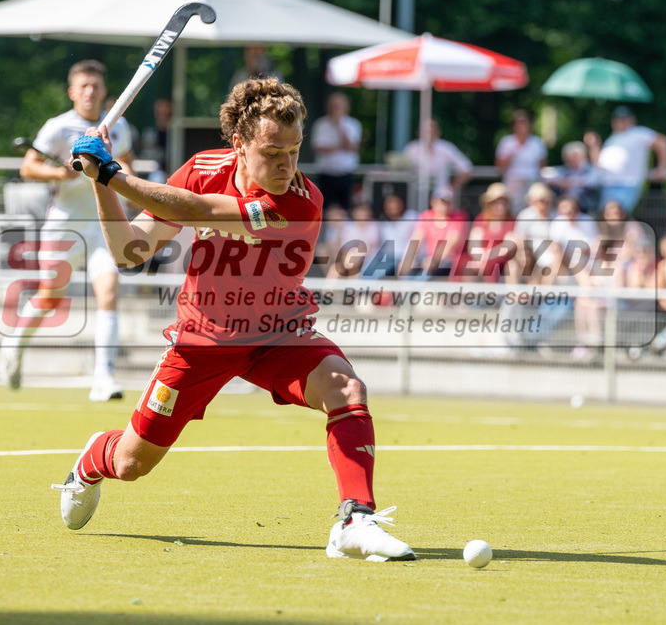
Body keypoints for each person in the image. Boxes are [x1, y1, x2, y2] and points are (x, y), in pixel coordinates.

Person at [54, 76, 415, 562]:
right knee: (131, 462)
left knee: (346, 388)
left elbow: (202, 209)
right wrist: (99, 182)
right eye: (273, 152)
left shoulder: (299, 202)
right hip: (202, 338)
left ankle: (355, 519)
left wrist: (112, 173)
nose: (288, 165)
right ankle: (91, 461)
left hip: (279, 333)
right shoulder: (201, 169)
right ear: (239, 144)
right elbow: (127, 250)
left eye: (295, 150)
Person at [0, 60, 135, 402]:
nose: (90, 92)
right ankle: (13, 344)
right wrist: (60, 174)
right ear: (72, 92)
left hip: (104, 225)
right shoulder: (58, 128)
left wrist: (126, 180)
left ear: (104, 92)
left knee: (109, 291)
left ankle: (103, 377)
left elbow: (128, 161)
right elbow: (28, 166)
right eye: (83, 86)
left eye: (95, 86)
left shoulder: (119, 127)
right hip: (64, 226)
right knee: (50, 298)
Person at [586, 106, 666, 216]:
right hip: (607, 185)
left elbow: (663, 143)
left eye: (624, 119)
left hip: (627, 185)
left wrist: (663, 168)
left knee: (616, 217)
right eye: (618, 119)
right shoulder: (612, 138)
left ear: (632, 120)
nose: (621, 122)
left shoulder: (639, 133)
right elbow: (599, 164)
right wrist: (593, 146)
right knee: (606, 220)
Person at [397, 186, 470, 280]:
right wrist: (408, 258)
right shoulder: (427, 216)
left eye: (447, 203)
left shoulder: (459, 217)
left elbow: (450, 244)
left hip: (451, 261)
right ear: (433, 202)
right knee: (406, 270)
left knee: (424, 276)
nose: (444, 206)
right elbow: (416, 239)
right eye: (440, 202)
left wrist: (435, 259)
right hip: (430, 260)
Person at [310, 92, 362, 212]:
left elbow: (351, 146)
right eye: (334, 105)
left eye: (339, 105)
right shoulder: (321, 124)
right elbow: (319, 148)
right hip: (326, 174)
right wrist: (340, 146)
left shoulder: (353, 124)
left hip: (346, 174)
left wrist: (340, 126)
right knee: (324, 209)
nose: (336, 108)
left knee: (346, 209)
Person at [458, 183, 515, 283]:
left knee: (492, 266)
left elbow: (508, 245)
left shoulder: (512, 221)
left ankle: (492, 296)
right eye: (496, 202)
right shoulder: (481, 219)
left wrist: (488, 256)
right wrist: (481, 257)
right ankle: (468, 296)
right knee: (465, 264)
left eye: (502, 202)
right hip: (481, 258)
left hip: (500, 260)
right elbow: (473, 243)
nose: (499, 206)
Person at [402, 118, 472, 196]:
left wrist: (451, 188)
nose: (429, 133)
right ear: (419, 132)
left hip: (440, 197)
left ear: (438, 132)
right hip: (415, 195)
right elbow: (401, 170)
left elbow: (466, 168)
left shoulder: (446, 148)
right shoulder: (411, 148)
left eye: (432, 130)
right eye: (426, 131)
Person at [495, 109, 547, 214]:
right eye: (519, 123)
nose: (522, 126)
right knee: (512, 211)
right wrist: (513, 152)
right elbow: (500, 166)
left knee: (533, 210)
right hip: (512, 183)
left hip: (531, 182)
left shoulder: (537, 143)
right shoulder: (507, 142)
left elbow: (542, 166)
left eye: (524, 122)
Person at [544, 140, 601, 215]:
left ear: (583, 157)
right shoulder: (564, 170)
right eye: (569, 157)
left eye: (575, 156)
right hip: (563, 205)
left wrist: (573, 182)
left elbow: (594, 181)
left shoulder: (589, 170)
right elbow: (545, 175)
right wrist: (560, 182)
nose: (572, 159)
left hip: (586, 206)